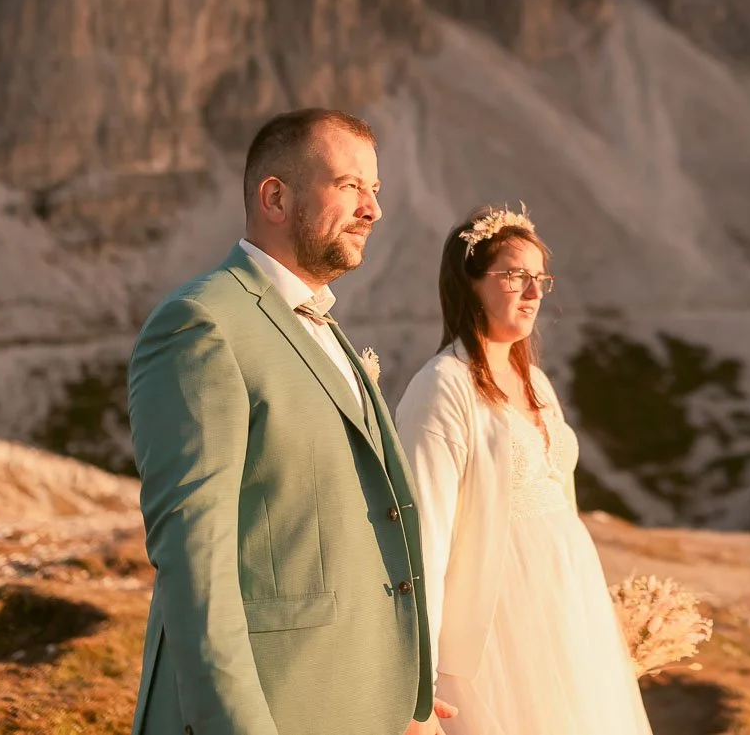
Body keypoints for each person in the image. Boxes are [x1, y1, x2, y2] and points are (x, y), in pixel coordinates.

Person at [126, 108, 456, 735]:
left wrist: (404, 702)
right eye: (350, 186)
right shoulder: (202, 324)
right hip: (273, 711)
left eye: (375, 190)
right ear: (274, 197)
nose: (373, 211)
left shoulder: (322, 324)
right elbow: (197, 565)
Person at [395, 205, 654, 735]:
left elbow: (565, 501)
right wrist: (417, 676)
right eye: (515, 276)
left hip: (565, 604)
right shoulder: (441, 386)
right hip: (496, 623)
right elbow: (424, 535)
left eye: (540, 278)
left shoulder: (536, 380)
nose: (534, 293)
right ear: (469, 282)